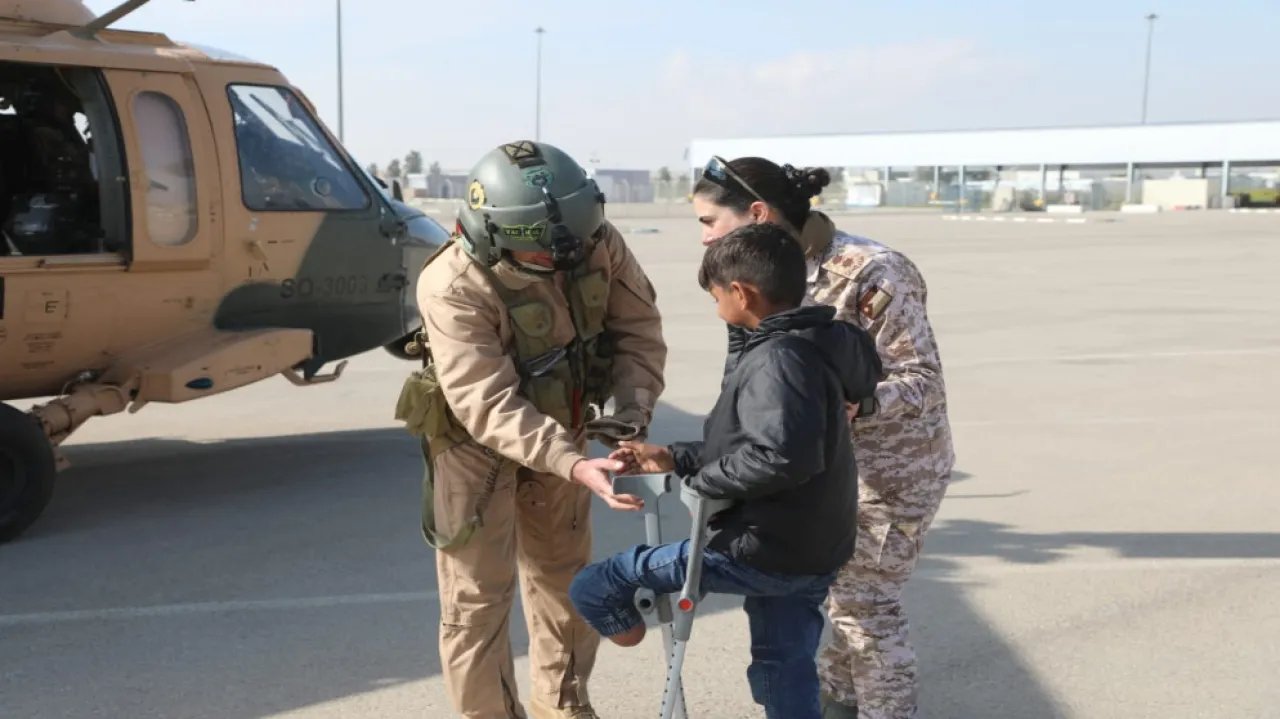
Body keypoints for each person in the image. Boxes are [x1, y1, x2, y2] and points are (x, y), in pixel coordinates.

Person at [397, 140, 668, 719]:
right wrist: (571, 462)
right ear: (493, 237)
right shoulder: (451, 284)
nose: (563, 261)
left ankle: (564, 706)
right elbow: (486, 402)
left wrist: (630, 415)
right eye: (543, 252)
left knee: (565, 581)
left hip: (563, 426)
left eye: (572, 245)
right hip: (472, 448)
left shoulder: (594, 240)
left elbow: (639, 331)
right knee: (475, 602)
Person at [567, 222, 883, 719]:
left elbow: (780, 455)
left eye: (716, 297)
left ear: (741, 293)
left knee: (595, 585)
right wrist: (675, 457)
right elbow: (756, 442)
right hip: (813, 546)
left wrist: (699, 483)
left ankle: (625, 626)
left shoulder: (779, 360)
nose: (716, 308)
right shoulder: (817, 342)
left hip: (762, 548)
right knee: (785, 664)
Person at [690, 156, 956, 719]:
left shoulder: (871, 271)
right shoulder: (756, 273)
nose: (706, 236)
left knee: (865, 612)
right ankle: (838, 704)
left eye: (710, 221)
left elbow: (922, 381)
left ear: (757, 213)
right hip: (820, 470)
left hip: (889, 470)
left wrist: (857, 405)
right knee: (832, 601)